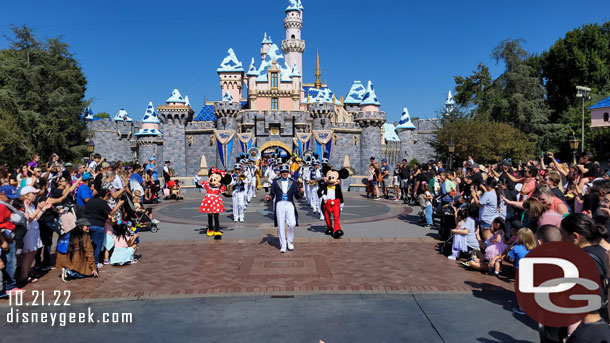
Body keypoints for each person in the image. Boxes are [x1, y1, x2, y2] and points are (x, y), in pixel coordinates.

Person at [265, 165, 303, 253]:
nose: (284, 173)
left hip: (289, 204)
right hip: (279, 204)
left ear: (288, 172)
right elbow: (272, 193)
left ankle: (290, 241)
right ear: (281, 173)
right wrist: (269, 197)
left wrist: (301, 193)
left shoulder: (293, 182)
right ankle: (283, 245)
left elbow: (297, 195)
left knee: (292, 223)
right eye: (283, 172)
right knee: (281, 225)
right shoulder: (275, 182)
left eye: (286, 172)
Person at [84, 189, 124, 265]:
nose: (109, 198)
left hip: (86, 224)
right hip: (97, 225)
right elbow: (110, 214)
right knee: (97, 245)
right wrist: (118, 205)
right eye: (108, 196)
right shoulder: (102, 203)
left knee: (88, 245)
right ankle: (95, 263)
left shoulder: (91, 200)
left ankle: (86, 261)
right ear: (105, 195)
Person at [18, 186, 48, 286]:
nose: (35, 195)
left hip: (35, 229)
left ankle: (27, 272)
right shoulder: (23, 206)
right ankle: (23, 276)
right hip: (28, 231)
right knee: (28, 253)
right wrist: (38, 209)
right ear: (26, 195)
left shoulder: (32, 205)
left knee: (33, 252)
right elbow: (29, 219)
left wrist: (43, 209)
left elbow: (36, 218)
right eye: (33, 193)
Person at [56, 218, 98, 282]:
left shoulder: (68, 233)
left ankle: (67, 268)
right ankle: (69, 272)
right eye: (87, 226)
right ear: (81, 226)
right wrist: (93, 268)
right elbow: (89, 253)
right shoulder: (84, 236)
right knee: (88, 273)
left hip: (61, 261)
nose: (88, 228)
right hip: (72, 260)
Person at [199, 167, 232, 239]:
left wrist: (232, 195)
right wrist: (196, 180)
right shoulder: (207, 185)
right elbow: (198, 186)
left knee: (216, 216)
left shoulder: (219, 188)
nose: (212, 180)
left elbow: (225, 194)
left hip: (216, 202)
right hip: (208, 202)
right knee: (209, 216)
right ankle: (210, 229)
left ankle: (217, 230)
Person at [317, 167, 349, 239]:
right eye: (330, 177)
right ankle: (329, 228)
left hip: (335, 203)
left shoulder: (337, 186)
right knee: (327, 216)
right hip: (326, 203)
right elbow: (319, 191)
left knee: (336, 216)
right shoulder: (325, 185)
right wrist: (322, 195)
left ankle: (337, 229)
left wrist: (341, 203)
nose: (331, 179)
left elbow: (340, 194)